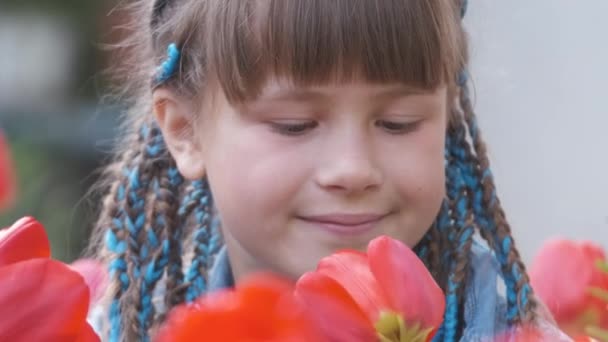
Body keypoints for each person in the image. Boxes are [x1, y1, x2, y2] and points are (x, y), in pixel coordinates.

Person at [87, 0, 569, 341]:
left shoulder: (512, 331)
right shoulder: (117, 331)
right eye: (294, 125)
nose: (353, 169)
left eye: (397, 123)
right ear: (186, 131)